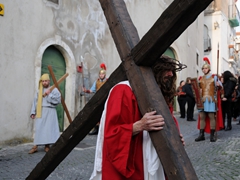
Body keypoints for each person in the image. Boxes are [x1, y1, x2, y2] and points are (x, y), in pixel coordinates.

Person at [90, 55, 186, 180]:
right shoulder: (123, 90)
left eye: (172, 70)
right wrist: (139, 126)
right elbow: (111, 134)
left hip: (155, 163)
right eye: (166, 70)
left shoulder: (161, 95)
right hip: (135, 162)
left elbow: (169, 123)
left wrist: (174, 139)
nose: (171, 74)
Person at [29, 74, 61, 154]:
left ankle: (47, 146)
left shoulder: (54, 90)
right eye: (43, 81)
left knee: (48, 129)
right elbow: (35, 102)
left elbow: (58, 100)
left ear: (49, 81)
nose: (44, 83)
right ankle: (35, 146)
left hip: (50, 111)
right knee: (39, 128)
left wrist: (49, 94)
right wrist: (33, 112)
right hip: (41, 111)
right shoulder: (39, 91)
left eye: (46, 81)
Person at [195, 57, 223, 142]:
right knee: (202, 117)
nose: (204, 69)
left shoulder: (214, 77)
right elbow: (197, 89)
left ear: (209, 69)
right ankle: (201, 134)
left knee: (211, 117)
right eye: (203, 68)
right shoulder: (200, 78)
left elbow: (221, 87)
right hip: (202, 100)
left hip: (211, 100)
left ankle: (212, 135)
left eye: (206, 68)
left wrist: (219, 85)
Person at [83, 63, 108, 135]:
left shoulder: (107, 81)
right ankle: (96, 129)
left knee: (104, 113)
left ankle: (103, 129)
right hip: (97, 100)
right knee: (96, 113)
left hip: (105, 99)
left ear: (104, 75)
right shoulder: (96, 82)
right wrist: (86, 91)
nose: (101, 75)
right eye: (100, 74)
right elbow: (91, 90)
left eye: (102, 74)